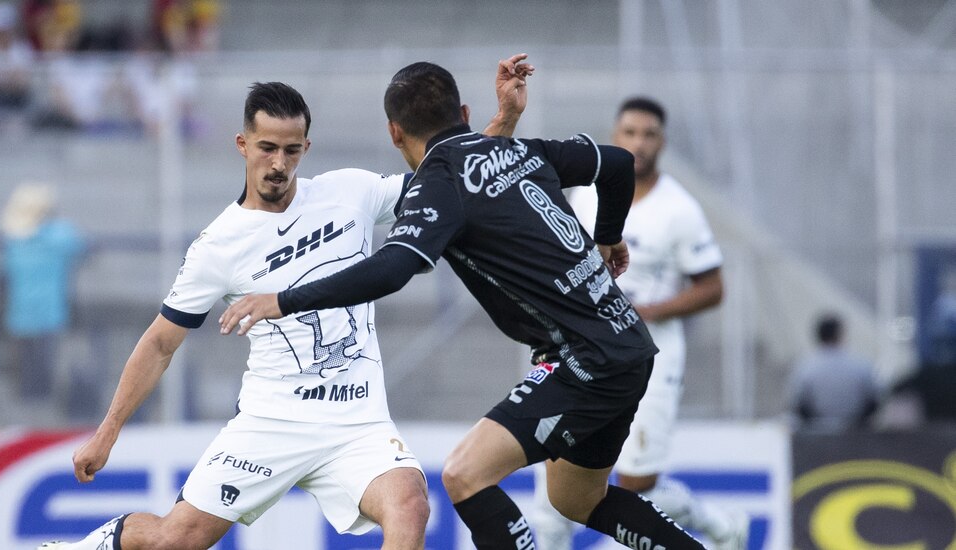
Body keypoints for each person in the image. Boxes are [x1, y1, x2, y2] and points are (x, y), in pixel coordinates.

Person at [39, 55, 532, 550]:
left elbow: (456, 178)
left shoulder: (351, 192)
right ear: (242, 144)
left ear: (306, 148)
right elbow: (160, 344)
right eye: (267, 148)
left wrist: (504, 121)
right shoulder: (218, 245)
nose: (279, 164)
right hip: (271, 422)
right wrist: (107, 432)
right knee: (176, 539)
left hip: (357, 423)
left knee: (410, 503)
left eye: (292, 150)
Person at [221, 61, 707, 549]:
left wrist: (284, 299)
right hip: (627, 342)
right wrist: (609, 237)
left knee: (464, 475)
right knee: (576, 500)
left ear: (395, 132)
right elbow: (617, 164)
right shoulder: (517, 149)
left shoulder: (439, 185)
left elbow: (392, 268)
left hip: (584, 360)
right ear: (465, 113)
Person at [531, 96, 746, 550]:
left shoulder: (679, 208)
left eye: (649, 134)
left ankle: (717, 524)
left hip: (651, 354)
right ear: (615, 136)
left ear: (662, 142)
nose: (639, 143)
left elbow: (713, 288)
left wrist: (645, 312)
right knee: (553, 488)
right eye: (630, 133)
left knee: (635, 487)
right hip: (585, 352)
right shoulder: (586, 195)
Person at [1, 183, 84, 399]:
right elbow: (82, 247)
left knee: (26, 381)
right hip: (49, 316)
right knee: (46, 378)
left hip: (21, 317)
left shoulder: (13, 241)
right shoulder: (61, 235)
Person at [788, 313, 879, 430]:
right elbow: (873, 400)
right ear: (840, 334)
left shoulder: (805, 367)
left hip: (816, 434)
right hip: (855, 433)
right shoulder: (861, 365)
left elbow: (798, 404)